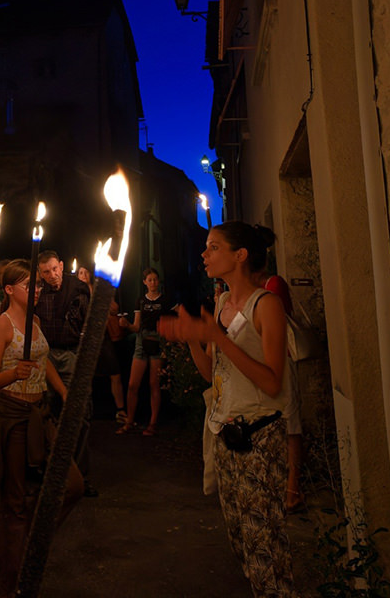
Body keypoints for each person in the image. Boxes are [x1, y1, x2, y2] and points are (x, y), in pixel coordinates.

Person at [161, 222, 298, 597]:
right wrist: (193, 339)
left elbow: (272, 382)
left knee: (264, 547)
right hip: (225, 433)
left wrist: (216, 337)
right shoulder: (221, 304)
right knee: (241, 540)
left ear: (240, 256)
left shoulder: (265, 305)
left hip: (259, 437)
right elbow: (211, 374)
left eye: (214, 247)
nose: (204, 255)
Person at [0, 260, 83, 598]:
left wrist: (63, 389)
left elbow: (44, 360)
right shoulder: (4, 326)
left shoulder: (35, 321)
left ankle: (34, 539)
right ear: (10, 290)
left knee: (72, 485)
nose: (37, 290)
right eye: (29, 286)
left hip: (41, 413)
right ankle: (8, 586)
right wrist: (13, 374)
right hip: (13, 415)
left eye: (38, 285)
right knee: (14, 505)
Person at [32, 250, 95, 495]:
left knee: (78, 413)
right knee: (47, 413)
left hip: (71, 353)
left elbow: (83, 319)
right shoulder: (38, 290)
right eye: (46, 272)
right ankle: (51, 473)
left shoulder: (77, 287)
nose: (52, 275)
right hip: (45, 354)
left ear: (61, 265)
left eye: (54, 269)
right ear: (40, 273)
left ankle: (79, 475)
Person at [262, 272, 304, 511]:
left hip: (282, 360)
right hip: (266, 362)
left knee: (291, 425)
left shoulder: (273, 285)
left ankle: (292, 489)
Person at [118, 267, 166, 435]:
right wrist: (127, 325)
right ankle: (130, 421)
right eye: (149, 280)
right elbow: (136, 327)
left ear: (158, 281)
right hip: (141, 341)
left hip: (157, 341)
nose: (153, 283)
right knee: (132, 384)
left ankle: (153, 423)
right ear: (144, 282)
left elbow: (176, 315)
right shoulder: (141, 301)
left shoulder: (165, 300)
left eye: (155, 279)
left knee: (154, 384)